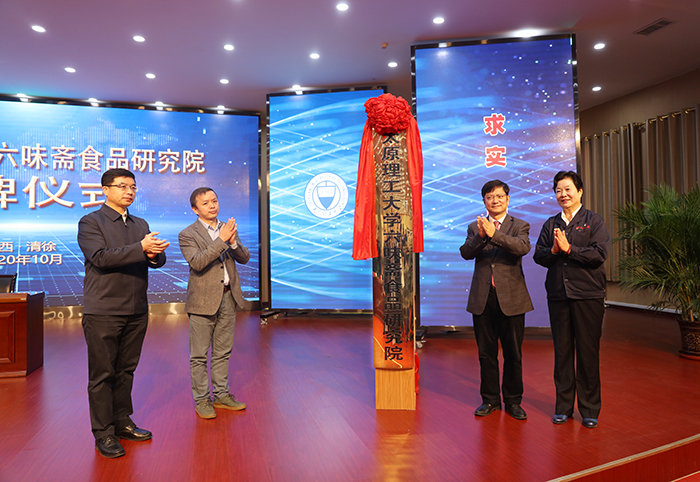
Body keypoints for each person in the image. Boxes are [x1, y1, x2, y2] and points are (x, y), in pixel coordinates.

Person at [78, 168, 169, 458]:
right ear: (105, 190)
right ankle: (103, 432)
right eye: (122, 186)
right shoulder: (91, 221)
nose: (129, 191)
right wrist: (141, 248)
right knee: (102, 374)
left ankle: (122, 422)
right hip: (103, 309)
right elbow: (100, 258)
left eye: (133, 187)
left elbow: (156, 259)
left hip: (136, 308)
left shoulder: (140, 223)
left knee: (126, 370)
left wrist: (153, 254)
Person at [533, 171, 609, 429]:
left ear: (580, 191)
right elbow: (539, 256)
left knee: (588, 352)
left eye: (567, 189)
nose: (563, 194)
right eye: (558, 190)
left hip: (588, 295)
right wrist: (554, 250)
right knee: (562, 352)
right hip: (558, 296)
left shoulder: (593, 221)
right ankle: (563, 407)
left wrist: (569, 249)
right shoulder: (550, 223)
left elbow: (599, 254)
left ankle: (589, 409)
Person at [459, 180, 533, 420]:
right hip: (483, 298)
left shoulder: (520, 225)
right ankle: (490, 400)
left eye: (500, 196)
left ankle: (513, 401)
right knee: (486, 354)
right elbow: (465, 253)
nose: (495, 200)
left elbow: (521, 248)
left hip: (512, 299)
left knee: (513, 354)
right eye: (490, 197)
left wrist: (494, 234)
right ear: (484, 202)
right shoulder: (475, 227)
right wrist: (482, 236)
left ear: (508, 199)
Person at [179, 187, 251, 419]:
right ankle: (202, 400)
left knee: (222, 351)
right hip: (202, 301)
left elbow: (244, 258)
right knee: (199, 355)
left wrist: (233, 242)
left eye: (214, 201)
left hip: (228, 297)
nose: (212, 206)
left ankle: (221, 395)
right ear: (195, 209)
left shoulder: (227, 228)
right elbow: (198, 262)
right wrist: (221, 240)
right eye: (205, 203)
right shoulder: (187, 234)